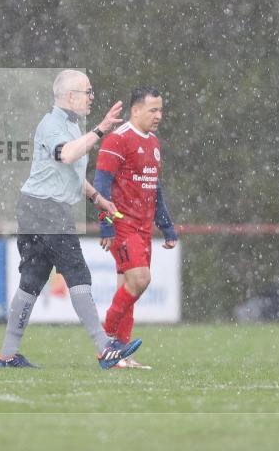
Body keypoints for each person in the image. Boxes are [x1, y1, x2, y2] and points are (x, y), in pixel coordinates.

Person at [0, 69, 142, 369]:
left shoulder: (72, 127)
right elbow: (67, 156)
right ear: (70, 96)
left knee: (32, 280)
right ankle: (105, 350)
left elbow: (71, 172)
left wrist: (98, 199)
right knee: (78, 274)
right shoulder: (52, 124)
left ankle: (7, 354)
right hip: (46, 210)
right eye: (87, 92)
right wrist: (100, 129)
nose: (91, 97)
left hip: (38, 207)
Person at [94, 86, 178, 370]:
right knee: (141, 280)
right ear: (136, 110)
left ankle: (121, 356)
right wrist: (105, 225)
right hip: (121, 223)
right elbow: (102, 184)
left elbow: (155, 188)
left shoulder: (153, 142)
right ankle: (106, 334)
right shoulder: (117, 140)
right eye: (153, 110)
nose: (159, 115)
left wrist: (166, 226)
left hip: (142, 227)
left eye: (161, 110)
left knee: (129, 287)